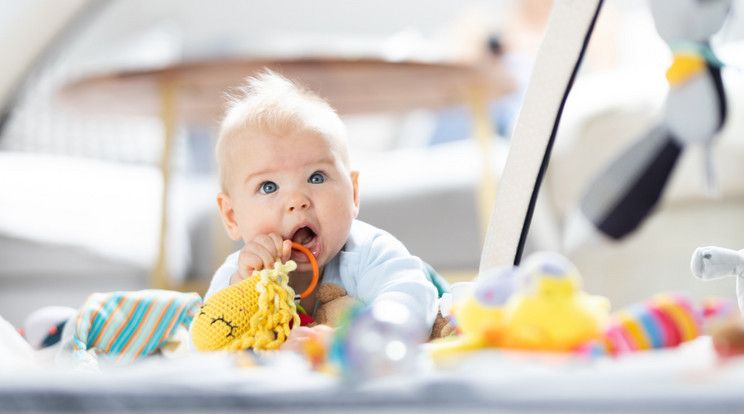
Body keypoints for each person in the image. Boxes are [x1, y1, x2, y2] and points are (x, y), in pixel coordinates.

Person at [205, 69, 440, 342]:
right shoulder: (237, 275)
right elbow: (203, 342)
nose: (297, 200)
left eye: (316, 177)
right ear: (232, 217)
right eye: (268, 186)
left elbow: (410, 300)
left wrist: (352, 339)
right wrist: (243, 292)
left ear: (353, 194)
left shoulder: (369, 253)